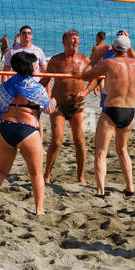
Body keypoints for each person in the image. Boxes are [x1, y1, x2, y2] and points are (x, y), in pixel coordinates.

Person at [0, 51, 57, 213]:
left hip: (6, 128)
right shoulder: (35, 87)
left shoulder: (6, 85)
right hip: (27, 130)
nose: (36, 65)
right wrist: (53, 101)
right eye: (34, 63)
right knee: (36, 174)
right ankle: (39, 209)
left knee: (1, 171)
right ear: (29, 66)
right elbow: (48, 110)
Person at [82, 33, 135, 196]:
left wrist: (95, 57)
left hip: (111, 110)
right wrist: (128, 42)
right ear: (128, 49)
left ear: (113, 48)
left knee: (101, 152)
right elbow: (132, 52)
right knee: (123, 150)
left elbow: (85, 75)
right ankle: (130, 187)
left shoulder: (109, 63)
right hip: (129, 112)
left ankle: (100, 191)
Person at [42, 29, 92, 184]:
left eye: (77, 39)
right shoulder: (56, 60)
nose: (75, 42)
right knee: (57, 141)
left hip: (78, 106)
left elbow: (95, 78)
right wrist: (32, 95)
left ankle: (80, 177)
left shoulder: (85, 60)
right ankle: (47, 175)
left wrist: (86, 92)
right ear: (64, 41)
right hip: (59, 105)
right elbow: (45, 81)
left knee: (80, 142)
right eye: (72, 39)